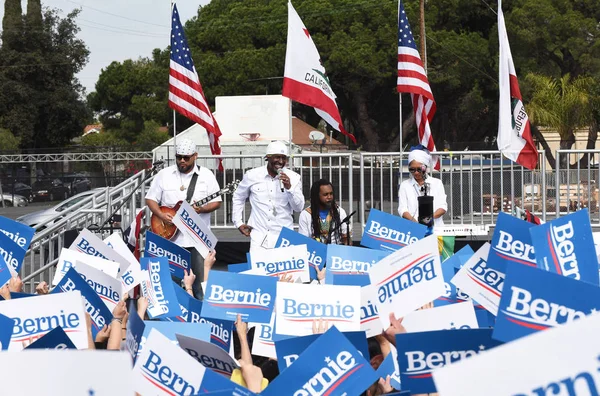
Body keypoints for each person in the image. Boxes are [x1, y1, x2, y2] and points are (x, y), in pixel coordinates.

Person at [145, 138, 221, 297]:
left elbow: (216, 202)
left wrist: (202, 209)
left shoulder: (206, 175)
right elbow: (150, 199)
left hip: (197, 240)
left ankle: (200, 318)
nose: (182, 161)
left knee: (200, 284)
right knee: (171, 285)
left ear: (195, 156)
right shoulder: (164, 174)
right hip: (171, 240)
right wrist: (160, 214)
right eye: (179, 157)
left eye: (186, 157)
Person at [232, 141, 304, 252]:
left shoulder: (293, 177)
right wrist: (238, 222)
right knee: (258, 269)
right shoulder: (252, 175)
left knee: (284, 270)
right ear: (268, 157)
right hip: (259, 236)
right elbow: (238, 197)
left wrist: (289, 188)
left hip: (284, 237)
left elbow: (298, 208)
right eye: (277, 157)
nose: (280, 161)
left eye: (284, 158)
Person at [398, 146, 447, 228]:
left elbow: (443, 207)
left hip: (435, 228)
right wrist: (415, 222)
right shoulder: (405, 185)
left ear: (426, 167)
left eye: (419, 169)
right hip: (413, 228)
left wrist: (429, 219)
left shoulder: (437, 183)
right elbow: (402, 209)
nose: (416, 173)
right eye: (412, 170)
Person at [298, 179, 349, 245]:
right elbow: (303, 242)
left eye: (331, 194)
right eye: (325, 194)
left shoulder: (340, 211)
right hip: (315, 252)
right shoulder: (306, 214)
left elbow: (346, 238)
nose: (329, 197)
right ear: (317, 196)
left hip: (335, 252)